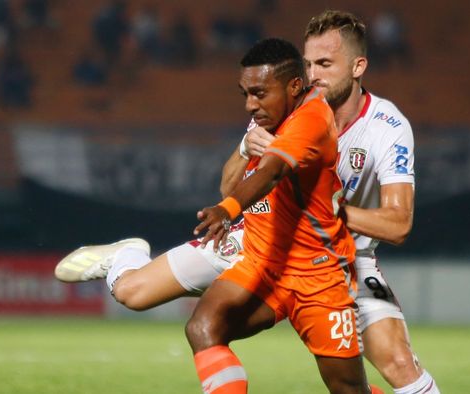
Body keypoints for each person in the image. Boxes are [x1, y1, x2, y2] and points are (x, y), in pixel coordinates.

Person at [55, 10, 440, 394]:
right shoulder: (278, 107)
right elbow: (230, 186)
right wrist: (244, 147)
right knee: (133, 294)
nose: (313, 74)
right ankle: (125, 254)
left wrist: (328, 212)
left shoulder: (386, 127)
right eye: (308, 64)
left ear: (358, 67)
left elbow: (397, 224)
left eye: (324, 63)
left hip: (339, 259)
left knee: (397, 363)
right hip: (254, 240)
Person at [190, 37, 367, 394]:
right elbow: (232, 182)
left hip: (319, 275)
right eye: (244, 94)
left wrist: (226, 211)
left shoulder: (312, 119)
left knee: (348, 390)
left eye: (259, 93)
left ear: (294, 86)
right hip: (265, 262)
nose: (249, 105)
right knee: (203, 327)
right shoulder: (270, 119)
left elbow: (270, 171)